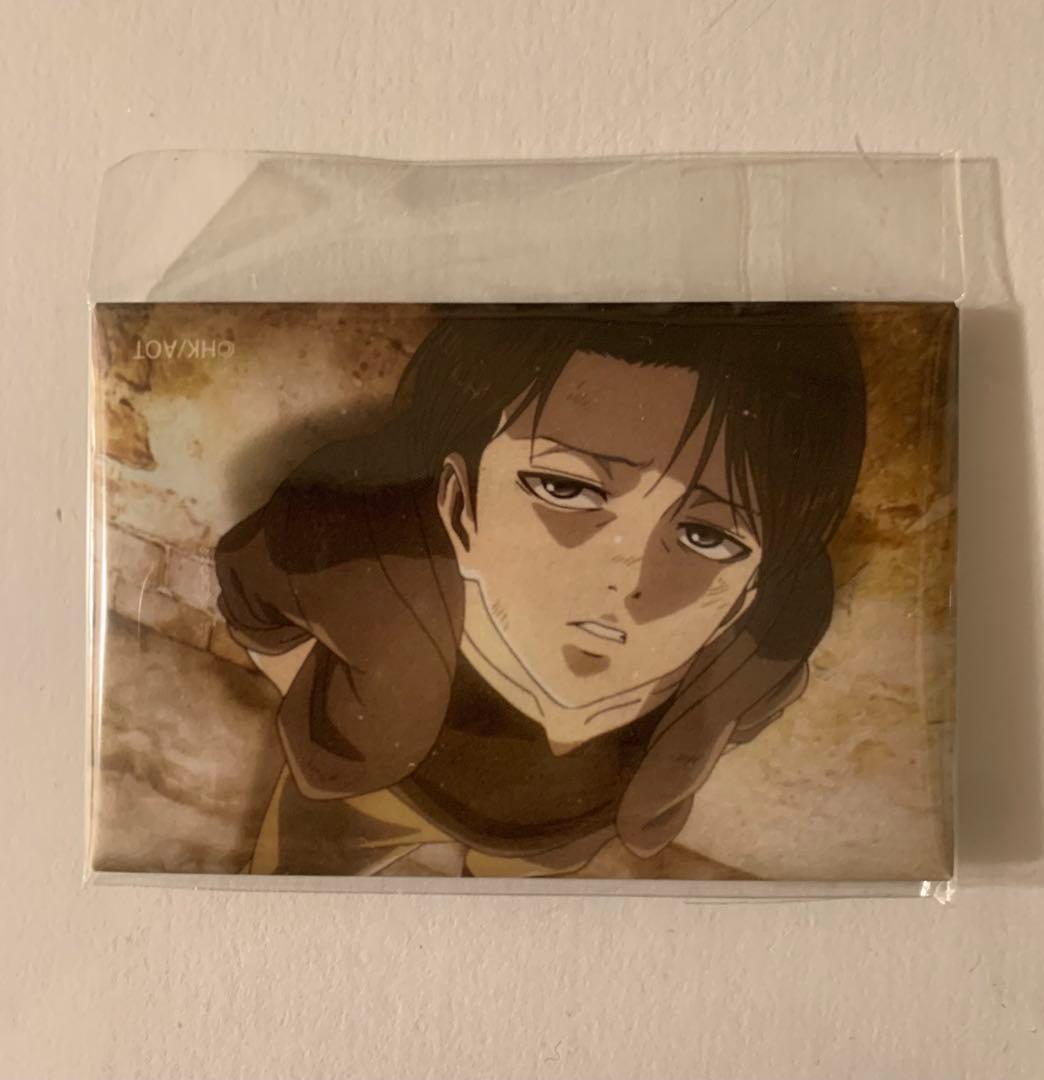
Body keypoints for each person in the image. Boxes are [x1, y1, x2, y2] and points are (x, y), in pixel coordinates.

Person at [215, 304, 866, 877]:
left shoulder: (764, 648)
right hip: (373, 789)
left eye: (706, 536)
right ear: (460, 504)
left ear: (749, 591)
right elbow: (256, 593)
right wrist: (332, 702)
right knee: (299, 884)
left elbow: (750, 705)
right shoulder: (363, 562)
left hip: (555, 838)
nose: (628, 579)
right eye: (565, 489)